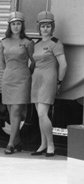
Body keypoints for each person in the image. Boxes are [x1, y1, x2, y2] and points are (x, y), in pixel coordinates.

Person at [30, 11, 67, 157]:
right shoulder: (37, 44)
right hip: (36, 79)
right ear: (39, 28)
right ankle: (43, 144)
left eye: (48, 26)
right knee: (39, 115)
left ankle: (51, 145)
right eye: (43, 26)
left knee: (42, 113)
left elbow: (63, 65)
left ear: (52, 27)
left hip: (49, 79)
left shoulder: (55, 43)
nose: (45, 29)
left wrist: (59, 81)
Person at [1, 12, 34, 155]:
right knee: (10, 111)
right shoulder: (3, 41)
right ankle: (18, 141)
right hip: (8, 78)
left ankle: (10, 144)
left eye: (18, 24)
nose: (16, 26)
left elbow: (34, 60)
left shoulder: (28, 42)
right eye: (13, 24)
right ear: (10, 26)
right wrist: (7, 72)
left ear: (22, 25)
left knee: (16, 111)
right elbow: (1, 62)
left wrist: (27, 72)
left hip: (22, 79)